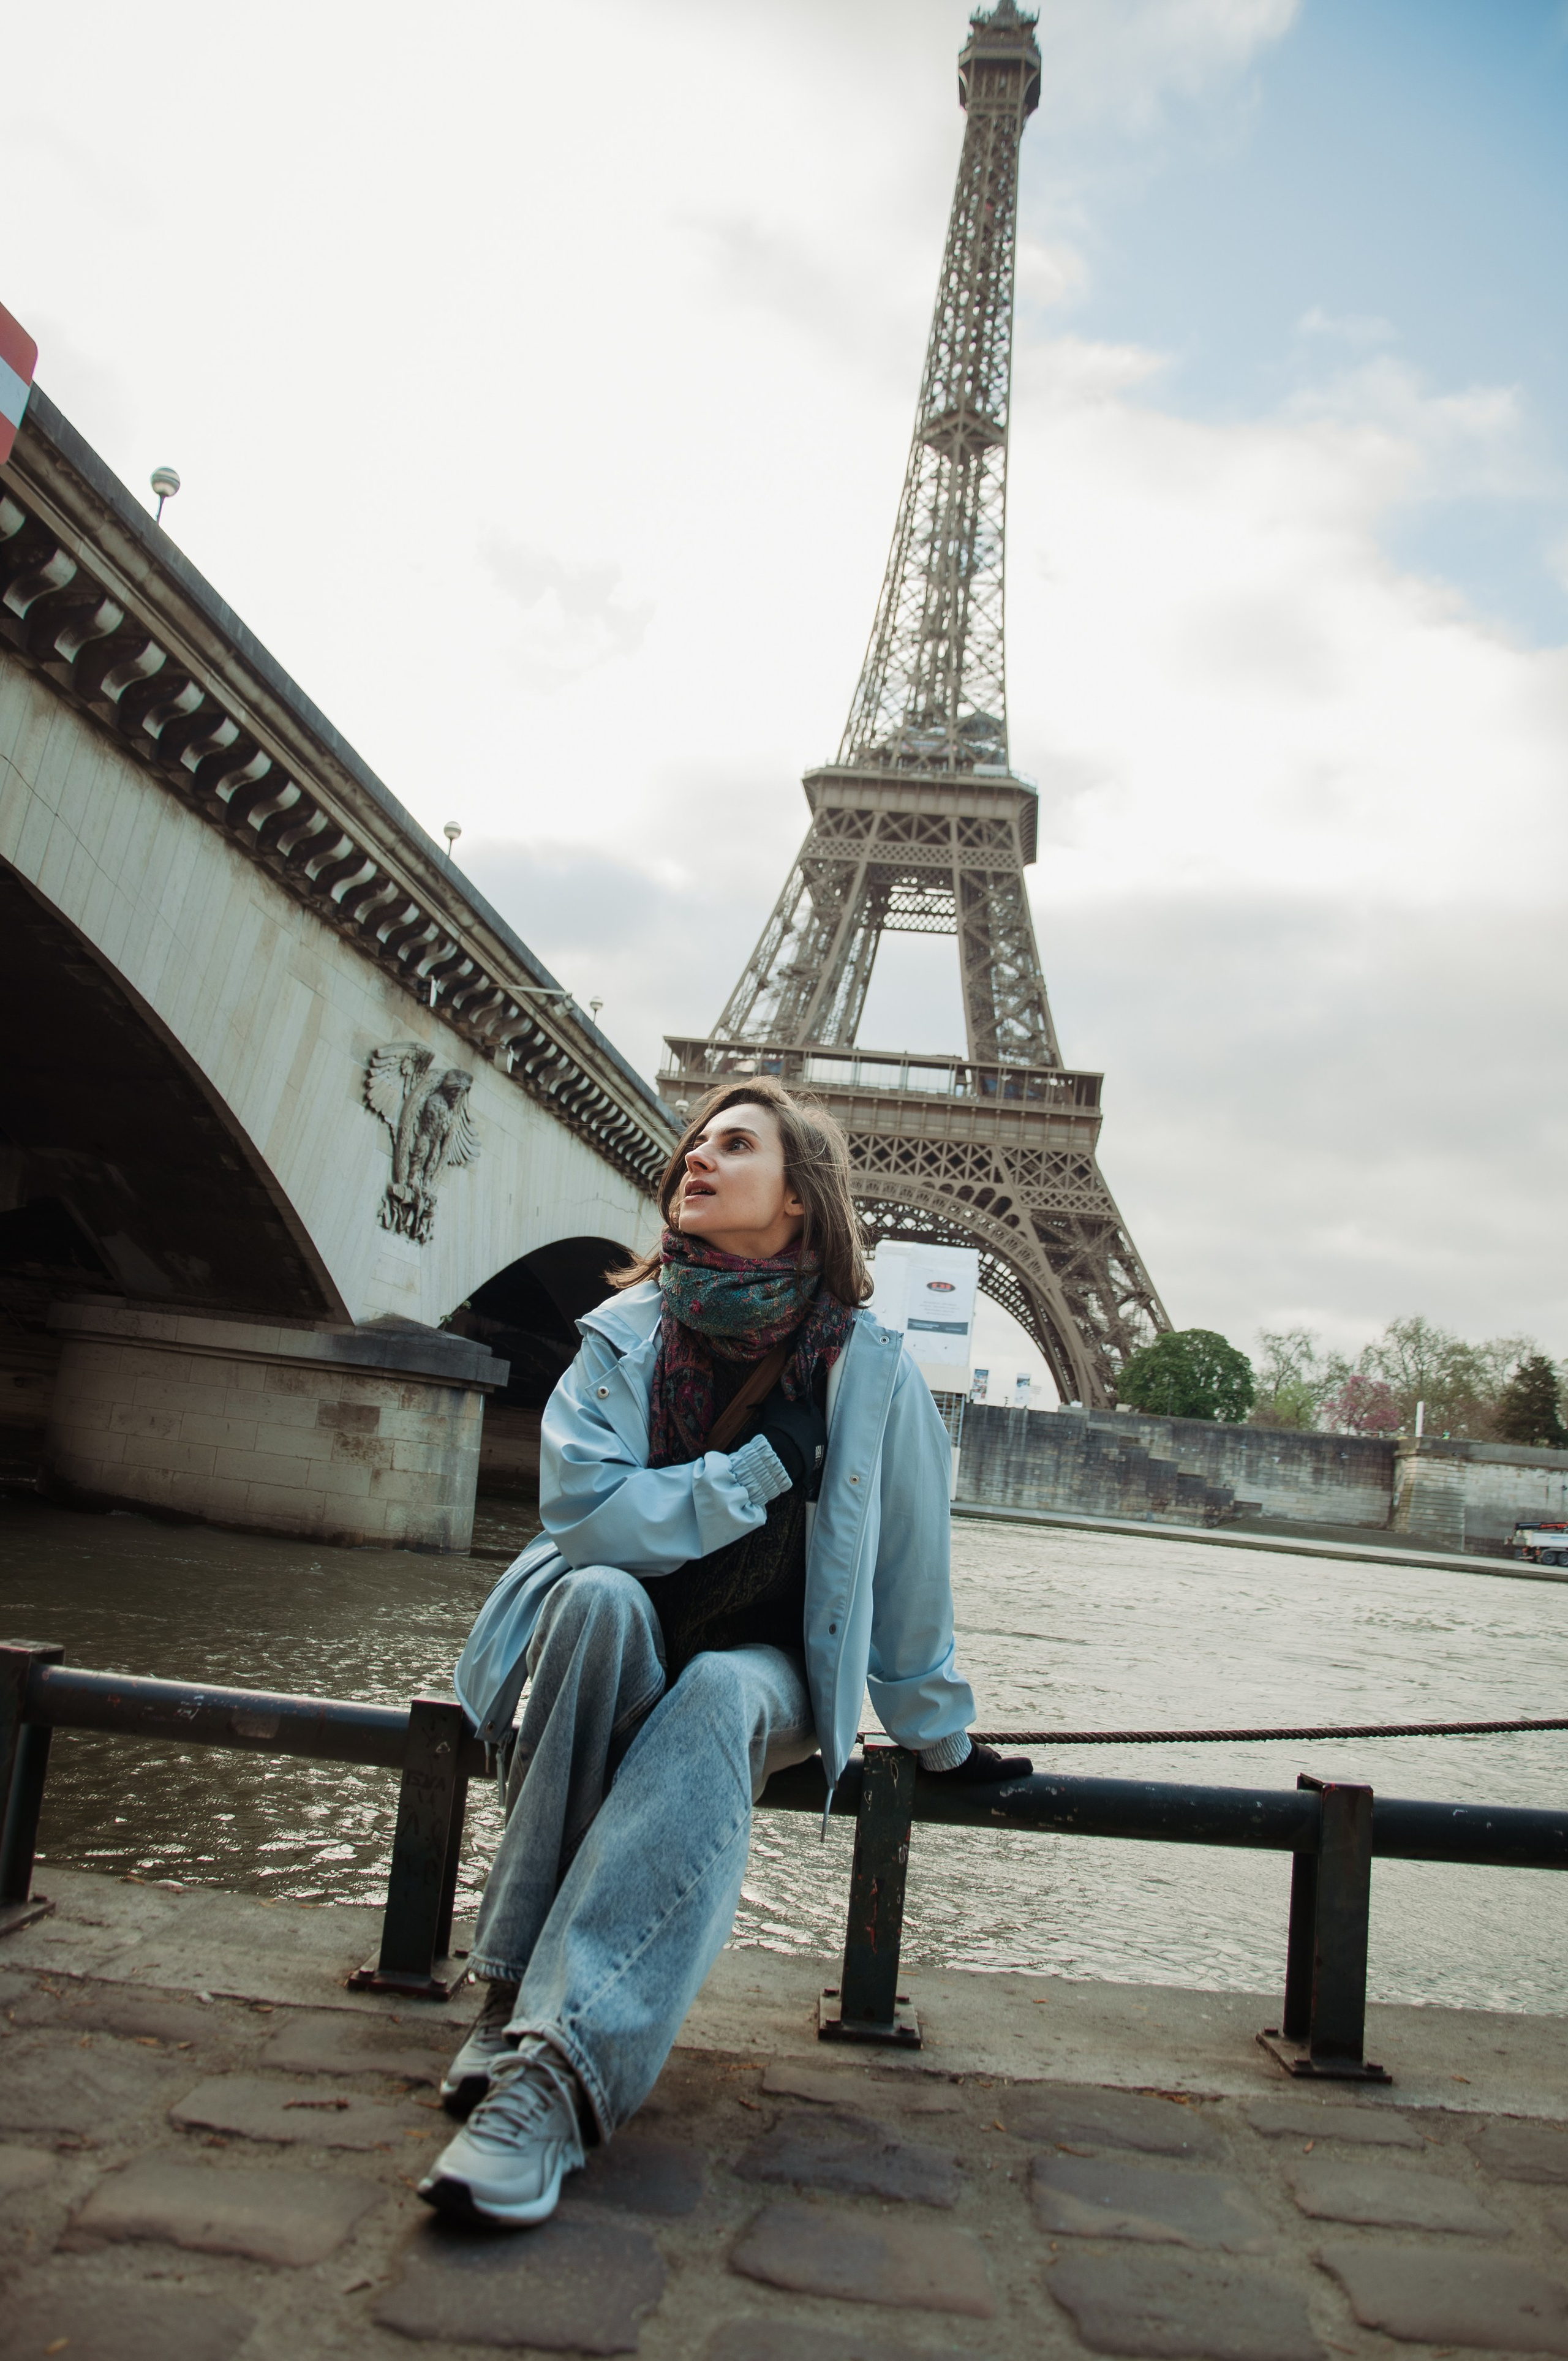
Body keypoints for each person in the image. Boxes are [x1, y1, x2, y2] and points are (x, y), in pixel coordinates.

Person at [419, 1078, 1030, 2228]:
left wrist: (938, 1737)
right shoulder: (622, 1330)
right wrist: (750, 1475)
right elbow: (584, 1521)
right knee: (597, 1600)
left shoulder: (875, 1371)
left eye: (734, 1144)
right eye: (694, 1142)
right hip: (616, 1626)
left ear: (799, 1202)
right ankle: (508, 1995)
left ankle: (557, 2065)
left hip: (765, 1667)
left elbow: (907, 1583)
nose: (696, 1157)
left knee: (714, 1689)